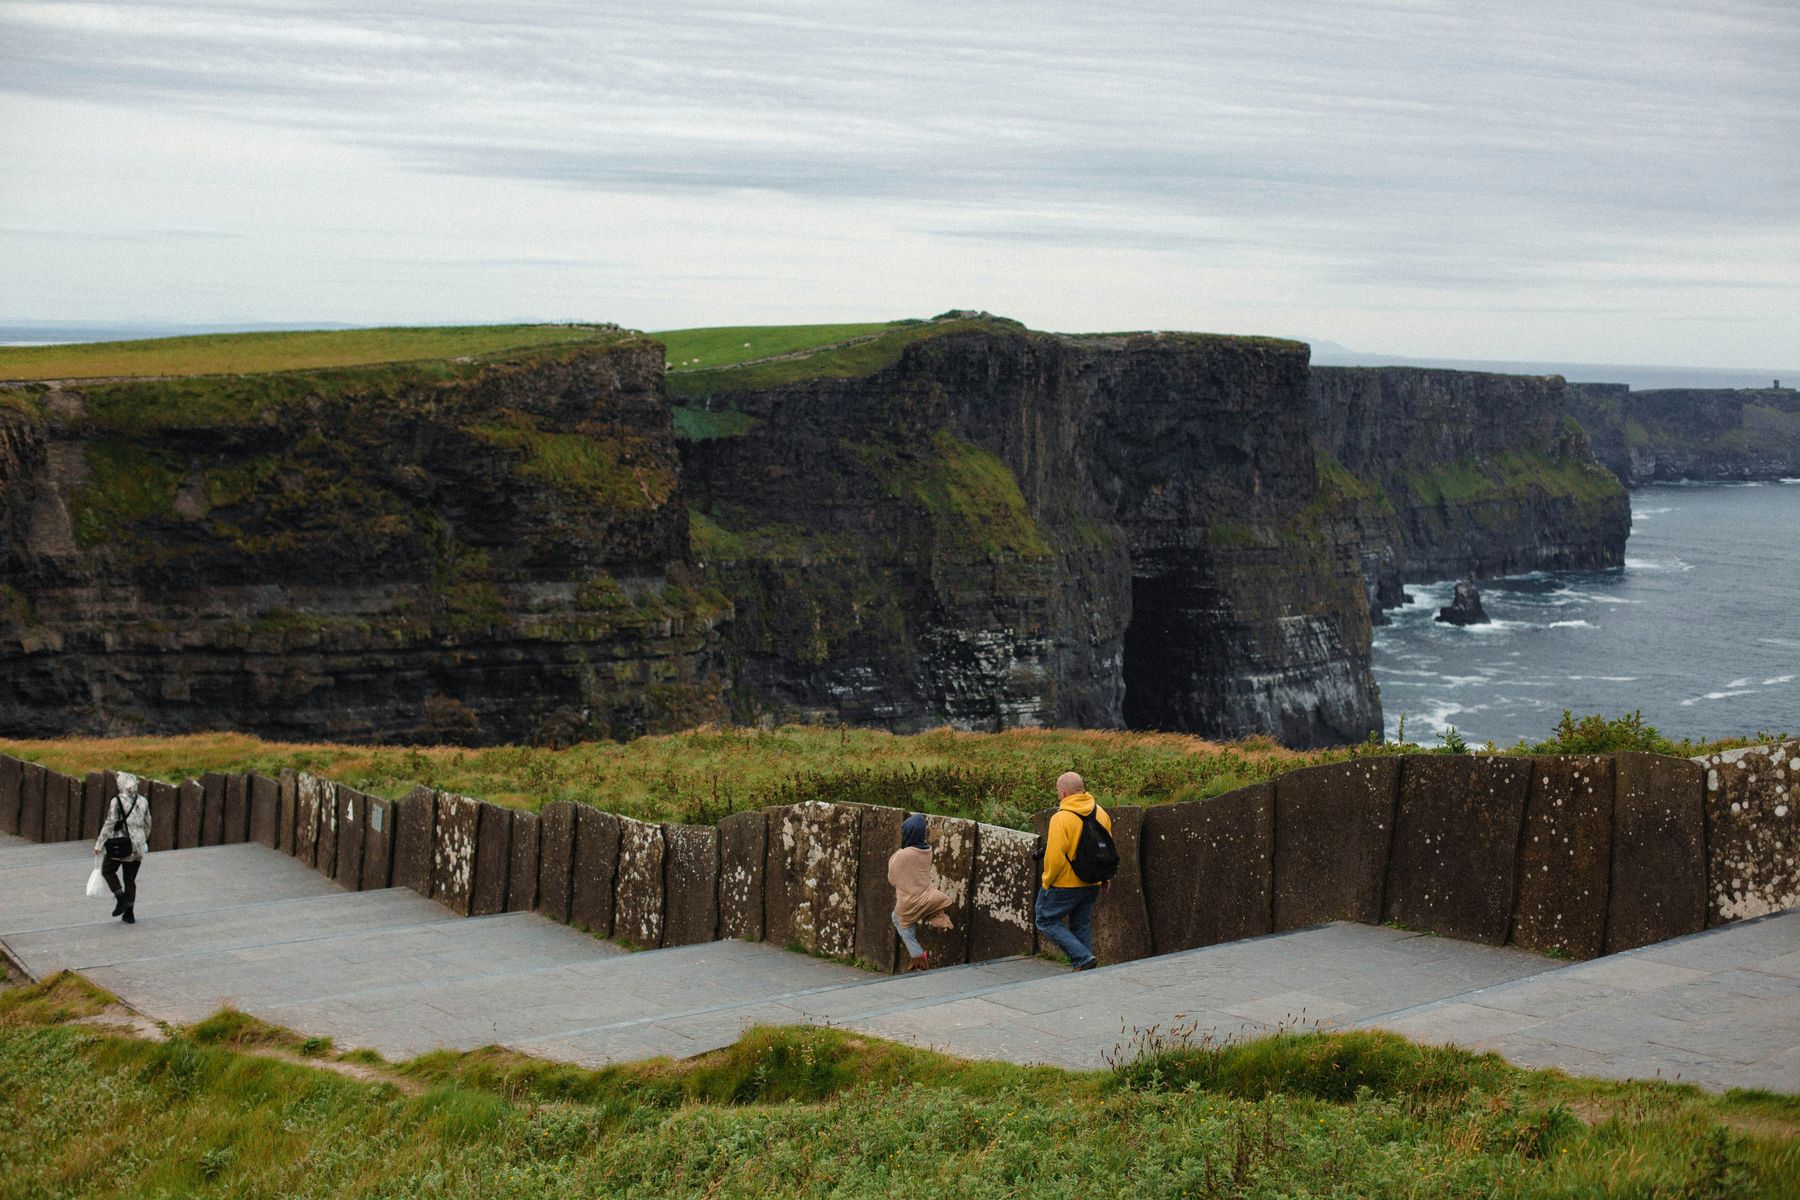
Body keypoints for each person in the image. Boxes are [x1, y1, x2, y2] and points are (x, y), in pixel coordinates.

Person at [1035, 771, 1110, 971]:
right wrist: (1105, 877)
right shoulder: (1101, 812)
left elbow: (1055, 856)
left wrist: (1047, 880)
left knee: (1045, 919)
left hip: (1065, 884)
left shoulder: (1062, 818)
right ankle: (1084, 966)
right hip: (1092, 882)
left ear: (1063, 793)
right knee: (1080, 924)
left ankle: (1083, 957)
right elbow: (1107, 849)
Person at [887, 812, 953, 971]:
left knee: (899, 919)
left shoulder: (903, 855)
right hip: (928, 895)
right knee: (907, 919)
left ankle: (918, 957)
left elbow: (892, 877)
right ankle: (935, 915)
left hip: (911, 900)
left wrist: (898, 854)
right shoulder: (927, 850)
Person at [93, 772, 151, 924]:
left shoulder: (117, 801)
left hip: (121, 844)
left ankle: (121, 898)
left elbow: (110, 823)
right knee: (130, 879)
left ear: (121, 785)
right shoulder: (143, 800)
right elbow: (148, 823)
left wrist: (99, 843)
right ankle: (129, 914)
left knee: (107, 870)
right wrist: (143, 839)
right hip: (138, 845)